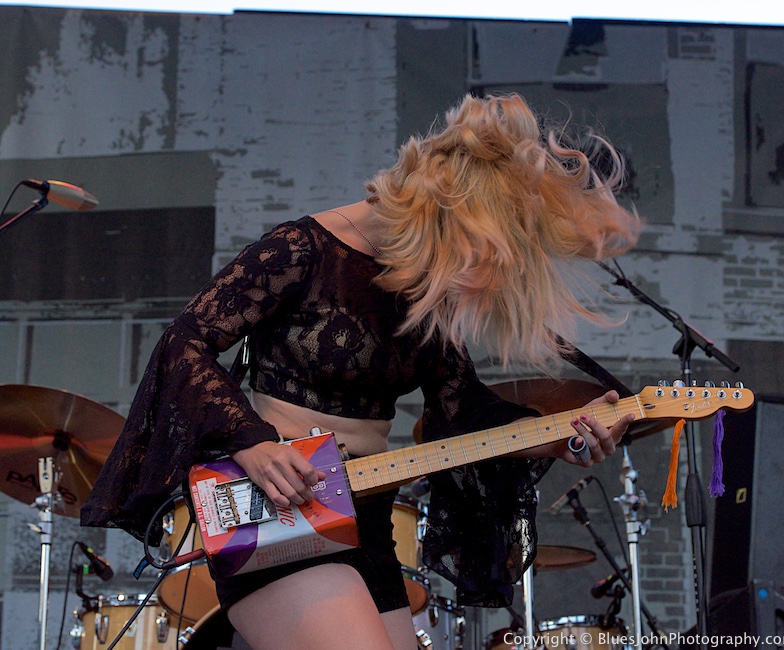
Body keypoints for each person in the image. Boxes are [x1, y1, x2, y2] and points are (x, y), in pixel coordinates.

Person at [81, 92, 640, 650]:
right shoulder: (301, 250)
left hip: (366, 517)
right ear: (445, 213)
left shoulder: (425, 291)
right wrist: (250, 442)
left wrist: (557, 436)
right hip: (279, 508)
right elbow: (186, 342)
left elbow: (462, 410)